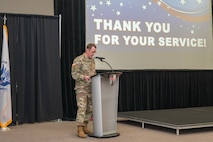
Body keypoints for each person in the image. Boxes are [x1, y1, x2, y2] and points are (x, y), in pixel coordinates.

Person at [71, 43, 97, 138]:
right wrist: (83, 77)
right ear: (87, 50)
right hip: (81, 88)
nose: (93, 54)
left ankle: (85, 127)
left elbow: (93, 73)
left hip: (91, 88)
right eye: (92, 52)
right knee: (82, 108)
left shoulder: (92, 61)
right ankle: (80, 129)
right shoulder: (78, 60)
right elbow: (74, 74)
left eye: (94, 52)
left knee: (90, 109)